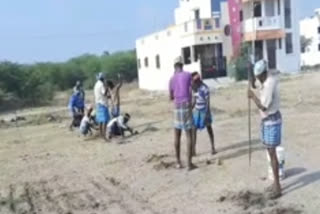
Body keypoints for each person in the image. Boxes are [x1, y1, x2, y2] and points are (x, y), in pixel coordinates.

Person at [248, 60, 282, 199]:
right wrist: (252, 82)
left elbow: (263, 107)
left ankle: (278, 187)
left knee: (272, 153)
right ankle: (275, 183)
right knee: (270, 152)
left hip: (271, 120)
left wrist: (252, 96)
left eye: (258, 76)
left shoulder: (269, 85)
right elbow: (258, 84)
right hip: (267, 121)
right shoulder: (268, 78)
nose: (258, 79)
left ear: (263, 74)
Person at [169, 62, 196, 171]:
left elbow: (170, 96)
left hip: (177, 106)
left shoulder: (172, 79)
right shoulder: (188, 75)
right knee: (189, 135)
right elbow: (193, 89)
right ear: (182, 66)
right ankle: (189, 164)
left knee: (177, 135)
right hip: (186, 105)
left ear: (175, 67)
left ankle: (178, 162)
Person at [191, 72, 216, 156]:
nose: (192, 83)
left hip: (204, 111)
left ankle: (213, 147)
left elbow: (207, 102)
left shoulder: (205, 88)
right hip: (197, 111)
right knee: (194, 129)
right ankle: (194, 150)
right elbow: (194, 100)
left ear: (197, 80)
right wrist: (190, 108)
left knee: (209, 128)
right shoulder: (195, 88)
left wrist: (206, 113)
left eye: (193, 81)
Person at [94, 73, 110, 140]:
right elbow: (104, 93)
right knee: (105, 120)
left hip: (98, 103)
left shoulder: (96, 84)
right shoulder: (101, 85)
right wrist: (107, 87)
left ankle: (101, 135)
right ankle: (104, 136)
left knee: (100, 120)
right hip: (103, 104)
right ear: (102, 78)